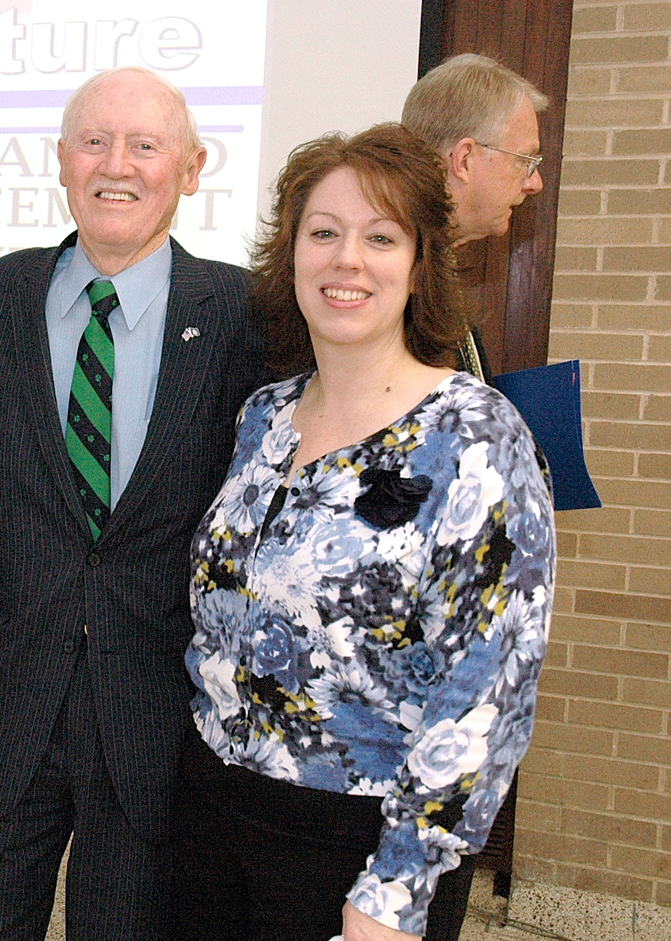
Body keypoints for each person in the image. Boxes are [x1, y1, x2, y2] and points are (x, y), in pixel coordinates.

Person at [178, 124, 555, 941]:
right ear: (290, 257)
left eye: (379, 237)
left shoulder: (475, 436)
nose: (347, 259)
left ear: (418, 266)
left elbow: (487, 690)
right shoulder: (263, 419)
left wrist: (394, 889)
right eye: (323, 233)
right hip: (210, 818)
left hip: (359, 846)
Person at [0, 66, 267, 941]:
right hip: (10, 689)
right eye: (93, 141)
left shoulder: (244, 315)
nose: (114, 164)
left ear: (193, 167)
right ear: (60, 161)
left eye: (144, 145)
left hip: (154, 702)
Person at [402, 53, 549, 381]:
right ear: (464, 159)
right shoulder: (383, 282)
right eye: (524, 160)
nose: (534, 183)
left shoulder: (436, 273)